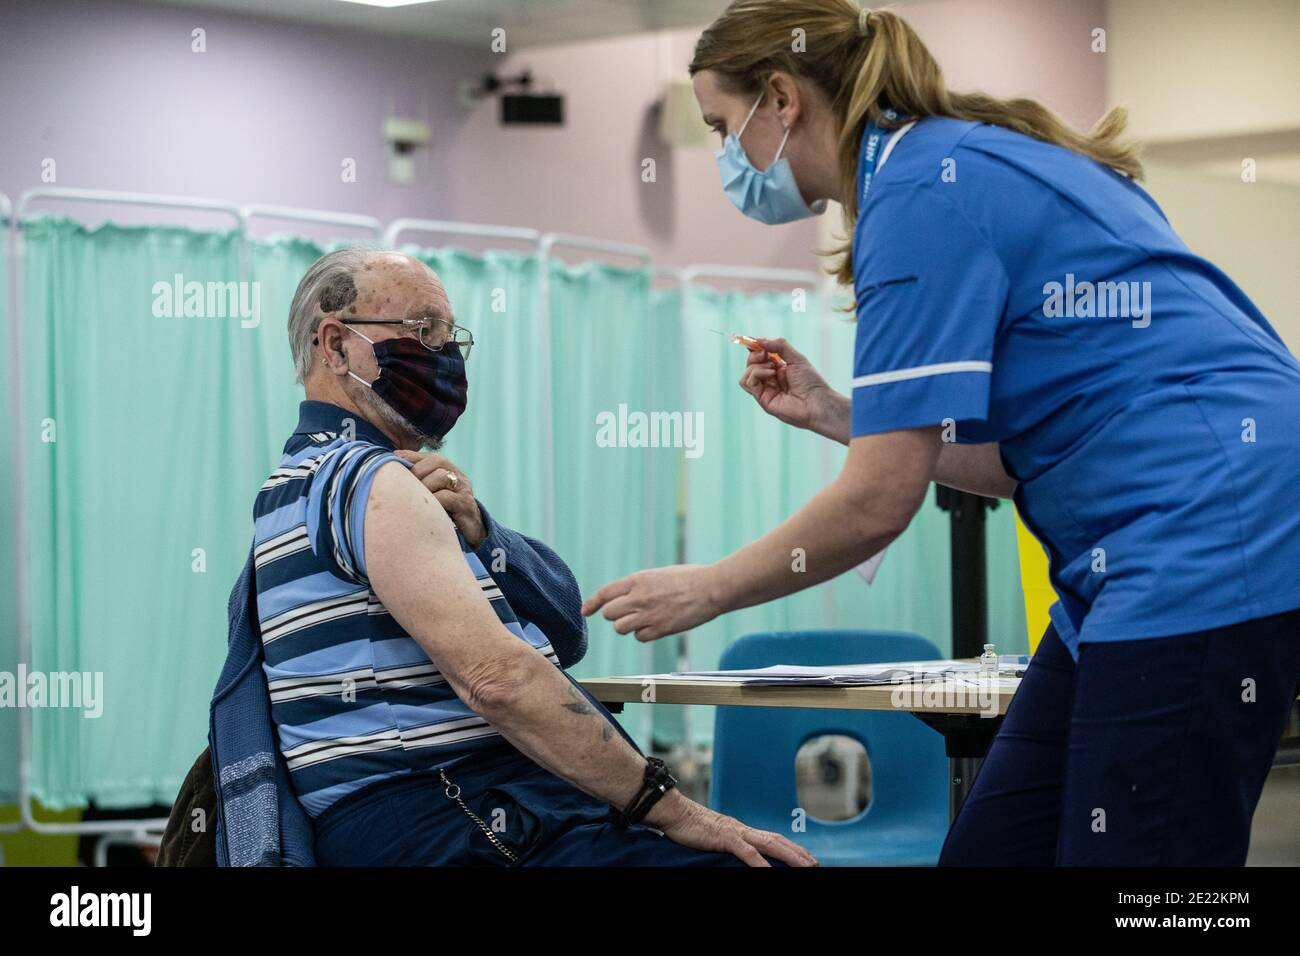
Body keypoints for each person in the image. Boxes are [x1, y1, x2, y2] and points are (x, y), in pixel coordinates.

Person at [582, 0, 1300, 865]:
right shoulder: (945, 164)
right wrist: (841, 416)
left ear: (781, 98)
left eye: (719, 126)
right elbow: (1015, 460)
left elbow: (877, 504)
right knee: (993, 851)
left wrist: (708, 590)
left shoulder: (920, 193)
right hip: (1137, 547)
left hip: (1206, 532)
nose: (724, 154)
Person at [243, 247, 814, 867]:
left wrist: (484, 535)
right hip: (445, 811)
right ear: (335, 345)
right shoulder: (368, 480)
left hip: (449, 812)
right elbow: (499, 680)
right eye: (423, 330)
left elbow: (566, 633)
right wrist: (675, 809)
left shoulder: (298, 487)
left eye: (451, 336)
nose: (445, 354)